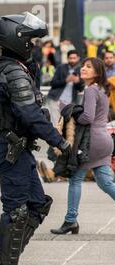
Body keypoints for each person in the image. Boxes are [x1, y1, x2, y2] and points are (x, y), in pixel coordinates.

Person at [0, 13, 72, 265]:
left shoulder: (10, 67)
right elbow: (30, 114)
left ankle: (1, 259)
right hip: (11, 148)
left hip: (16, 148)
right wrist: (59, 142)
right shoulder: (13, 72)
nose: (33, 45)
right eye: (30, 41)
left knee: (37, 204)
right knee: (17, 210)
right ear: (17, 40)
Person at [51, 58, 115, 235]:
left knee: (75, 179)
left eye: (89, 67)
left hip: (91, 141)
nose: (84, 69)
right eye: (84, 66)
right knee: (105, 182)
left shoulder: (91, 90)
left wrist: (70, 113)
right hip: (104, 140)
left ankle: (70, 220)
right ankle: (70, 220)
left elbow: (87, 117)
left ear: (97, 72)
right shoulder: (103, 89)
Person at [46, 50, 85, 126]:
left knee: (68, 124)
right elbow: (53, 83)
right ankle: (56, 137)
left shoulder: (81, 70)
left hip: (70, 102)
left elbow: (81, 88)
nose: (72, 60)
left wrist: (78, 82)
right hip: (56, 99)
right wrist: (66, 80)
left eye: (74, 58)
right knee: (55, 123)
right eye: (70, 58)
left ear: (78, 58)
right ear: (67, 58)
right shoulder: (61, 67)